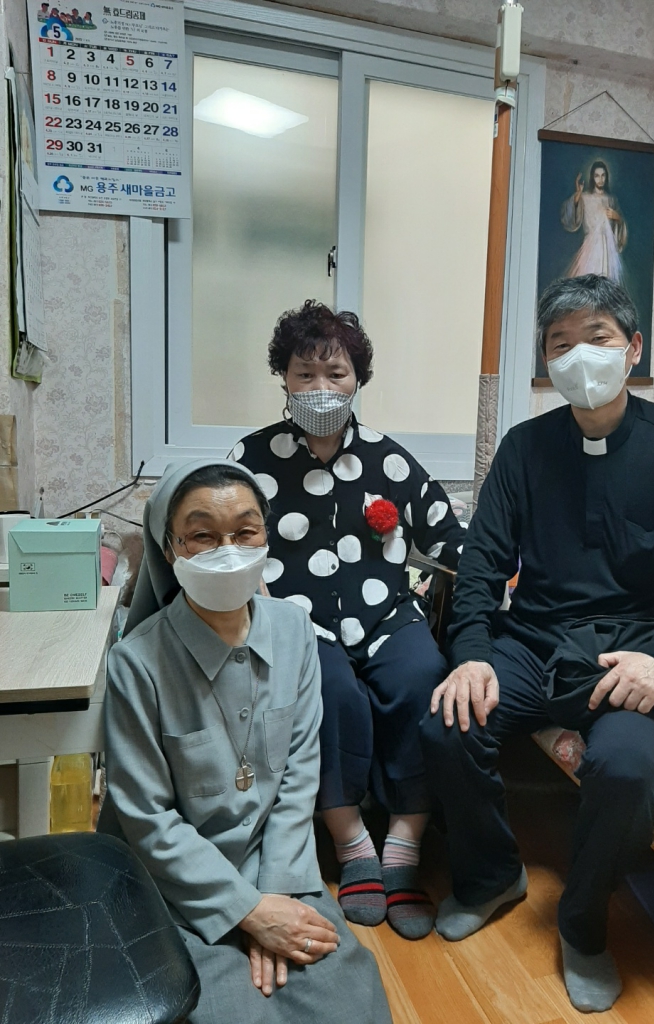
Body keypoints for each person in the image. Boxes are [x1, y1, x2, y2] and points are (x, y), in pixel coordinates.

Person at [421, 275, 654, 1013]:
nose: (580, 355)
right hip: (533, 640)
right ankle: (491, 877)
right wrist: (473, 652)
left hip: (634, 652)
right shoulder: (524, 449)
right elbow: (481, 564)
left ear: (633, 348)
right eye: (561, 344)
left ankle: (582, 923)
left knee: (626, 765)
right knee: (448, 725)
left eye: (597, 337)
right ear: (547, 362)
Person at [99, 459, 392, 1024]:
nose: (228, 550)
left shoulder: (294, 631)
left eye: (245, 531)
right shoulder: (136, 664)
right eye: (203, 535)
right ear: (170, 549)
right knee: (232, 1010)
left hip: (279, 864)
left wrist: (275, 895)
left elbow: (299, 775)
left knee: (348, 999)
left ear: (265, 537)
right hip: (178, 883)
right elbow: (148, 819)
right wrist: (247, 911)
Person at [232, 300, 465, 940]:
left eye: (335, 374)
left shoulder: (391, 460)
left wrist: (497, 565)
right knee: (330, 689)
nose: (321, 388)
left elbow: (447, 536)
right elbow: (229, 541)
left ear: (358, 379)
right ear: (284, 379)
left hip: (388, 616)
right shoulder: (251, 458)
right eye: (305, 374)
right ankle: (353, 841)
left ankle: (405, 846)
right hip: (298, 622)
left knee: (423, 677)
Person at [561, 161, 627, 281]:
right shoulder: (585, 197)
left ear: (606, 177)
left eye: (603, 175)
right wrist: (578, 194)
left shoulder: (611, 200)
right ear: (592, 177)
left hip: (608, 248)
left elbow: (619, 226)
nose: (600, 179)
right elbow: (570, 215)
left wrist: (617, 218)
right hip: (590, 247)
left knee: (606, 282)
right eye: (597, 176)